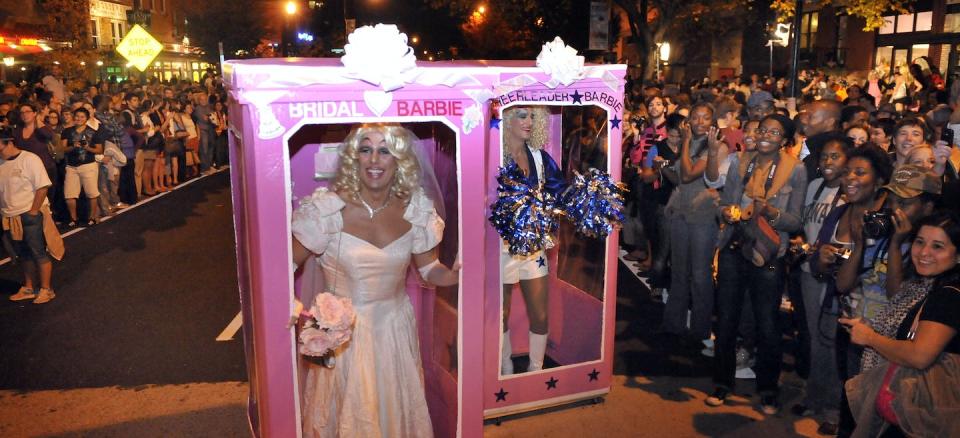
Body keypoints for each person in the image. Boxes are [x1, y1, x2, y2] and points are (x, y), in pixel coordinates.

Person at [291, 123, 459, 438]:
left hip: (394, 328)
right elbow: (284, 266)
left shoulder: (416, 210)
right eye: (365, 149)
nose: (374, 160)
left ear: (399, 159)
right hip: (344, 337)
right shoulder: (326, 212)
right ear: (354, 157)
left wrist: (453, 275)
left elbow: (428, 269)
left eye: (385, 151)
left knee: (392, 410)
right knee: (351, 412)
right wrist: (289, 304)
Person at [705, 114, 808, 414]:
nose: (766, 135)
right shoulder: (740, 161)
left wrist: (770, 212)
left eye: (775, 132)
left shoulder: (796, 170)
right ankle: (722, 384)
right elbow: (726, 203)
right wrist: (727, 213)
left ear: (785, 140)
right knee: (725, 319)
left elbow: (796, 220)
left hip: (769, 254)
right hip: (735, 248)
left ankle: (768, 389)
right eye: (763, 130)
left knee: (767, 324)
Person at [840, 211, 960, 437]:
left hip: (927, 411)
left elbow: (919, 355)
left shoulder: (949, 296)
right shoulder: (926, 286)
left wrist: (870, 338)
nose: (924, 252)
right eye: (920, 242)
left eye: (938, 246)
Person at [498, 106, 566, 375]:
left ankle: (535, 370)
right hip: (500, 248)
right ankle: (505, 365)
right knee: (500, 315)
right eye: (522, 115)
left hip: (533, 247)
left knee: (539, 313)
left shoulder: (540, 158)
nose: (528, 122)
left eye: (532, 117)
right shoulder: (493, 155)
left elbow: (559, 192)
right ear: (506, 119)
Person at [793, 137, 854, 433]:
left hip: (835, 281)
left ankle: (833, 408)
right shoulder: (815, 188)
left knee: (831, 343)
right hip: (808, 271)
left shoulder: (849, 196)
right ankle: (814, 396)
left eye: (835, 156)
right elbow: (808, 228)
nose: (828, 162)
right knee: (814, 339)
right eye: (824, 157)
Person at [0, 126, 62, 304]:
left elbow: (42, 186)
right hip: (11, 216)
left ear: (8, 142)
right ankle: (28, 287)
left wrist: (33, 211)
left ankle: (46, 289)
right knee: (23, 254)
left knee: (38, 252)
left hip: (30, 213)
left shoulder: (29, 159)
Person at [59, 108, 103, 227]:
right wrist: (73, 145)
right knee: (69, 195)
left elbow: (99, 150)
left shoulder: (94, 132)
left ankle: (93, 217)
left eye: (82, 116)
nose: (79, 118)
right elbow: (63, 149)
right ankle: (74, 218)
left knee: (91, 193)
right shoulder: (67, 131)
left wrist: (87, 147)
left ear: (87, 118)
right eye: (77, 116)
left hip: (88, 165)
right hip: (71, 166)